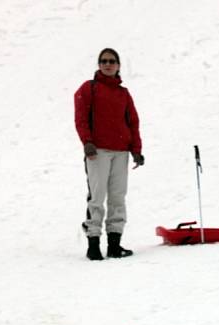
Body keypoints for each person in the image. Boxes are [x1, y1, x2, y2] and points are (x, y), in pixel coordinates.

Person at [74, 48, 144, 261]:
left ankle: (114, 244)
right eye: (103, 61)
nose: (108, 64)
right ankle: (93, 244)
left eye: (112, 61)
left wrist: (136, 151)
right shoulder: (89, 89)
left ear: (118, 65)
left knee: (117, 197)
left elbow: (133, 122)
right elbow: (81, 118)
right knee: (97, 197)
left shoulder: (124, 93)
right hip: (98, 152)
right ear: (99, 65)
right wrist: (87, 142)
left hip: (121, 152)